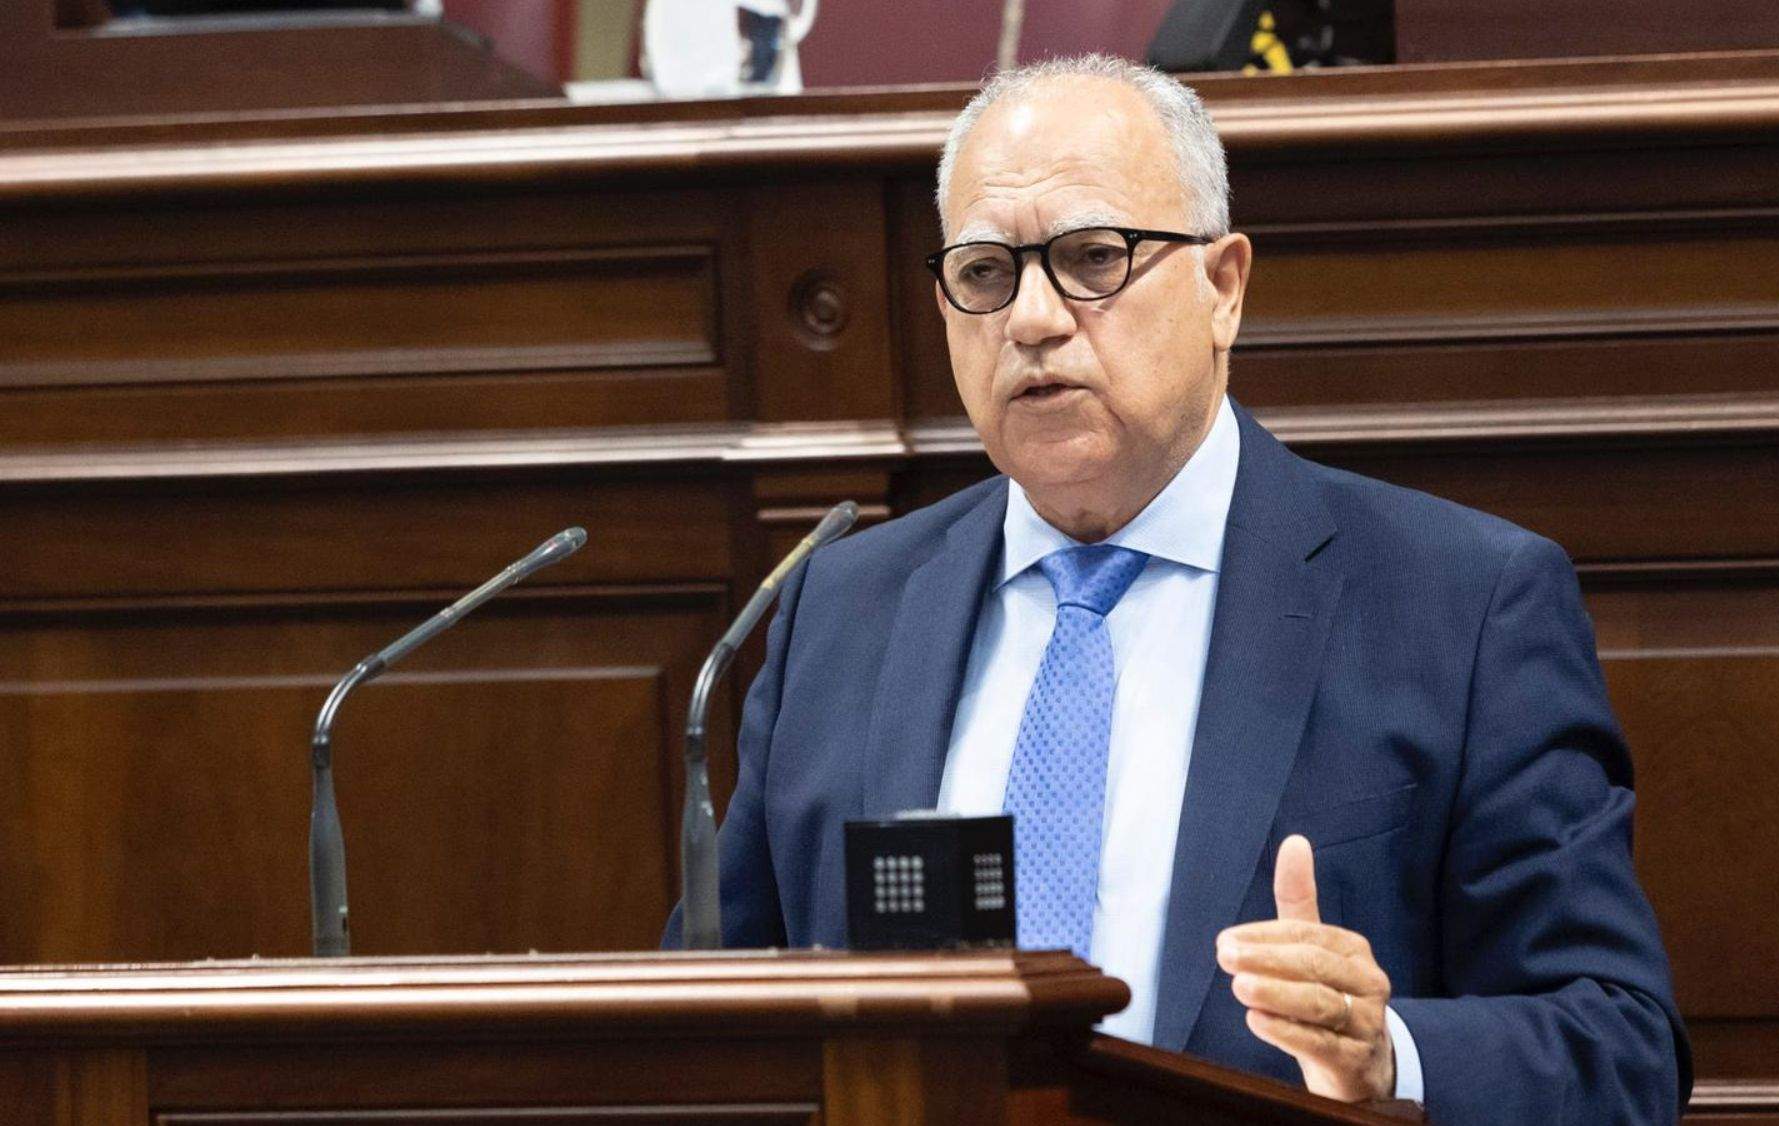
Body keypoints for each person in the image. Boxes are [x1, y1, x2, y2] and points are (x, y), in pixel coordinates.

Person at [667, 53, 1689, 1123]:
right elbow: (711, 1031)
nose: (1030, 318)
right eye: (983, 273)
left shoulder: (1460, 606)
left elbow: (1617, 1048)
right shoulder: (842, 610)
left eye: (1091, 257)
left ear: (1222, 286)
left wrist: (1385, 1053)